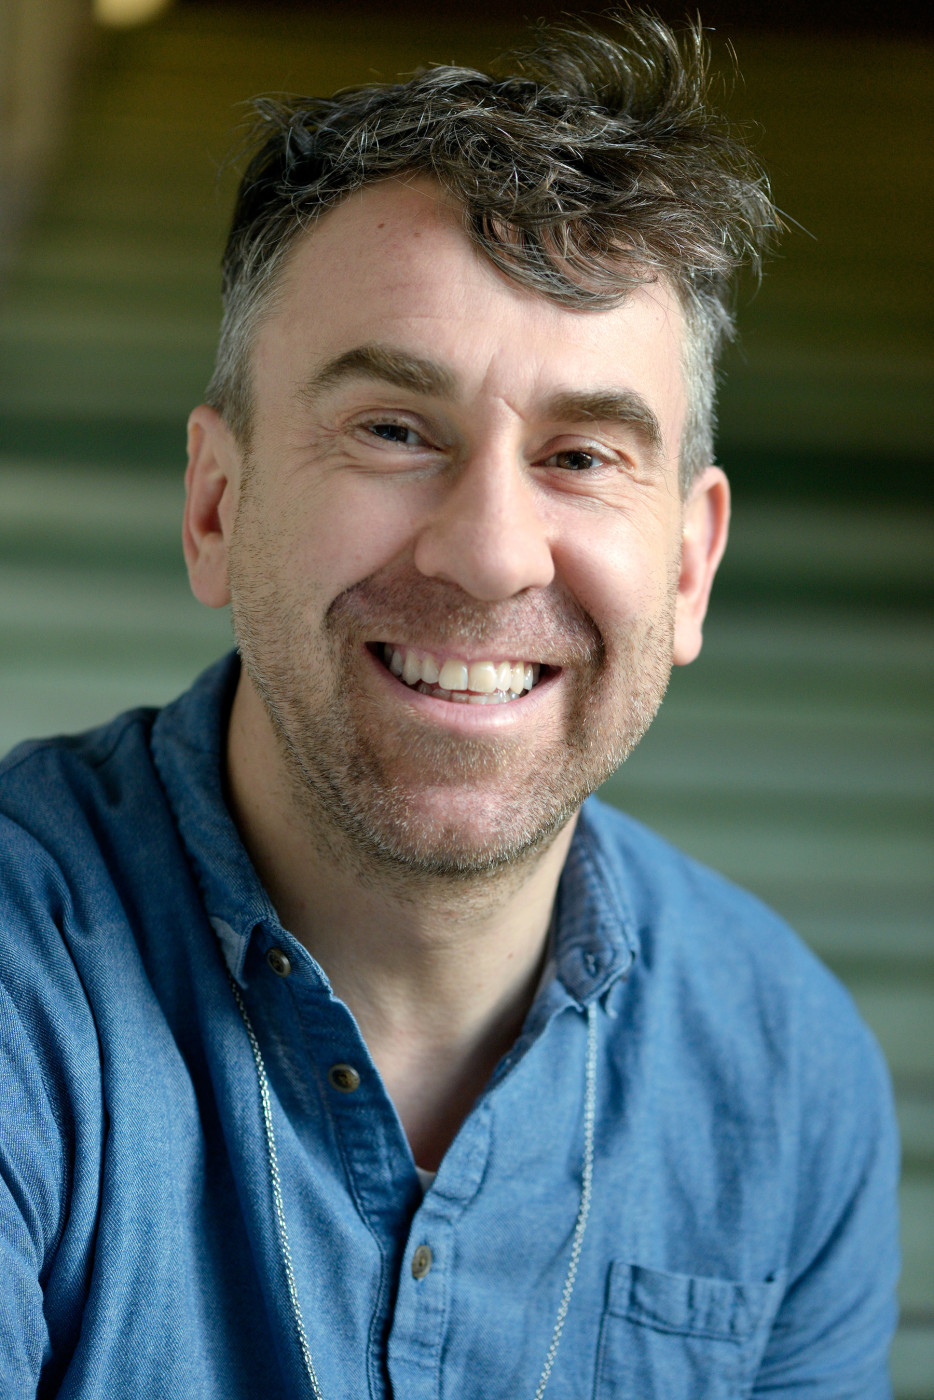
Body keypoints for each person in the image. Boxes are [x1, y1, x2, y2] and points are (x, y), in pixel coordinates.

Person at [0, 13, 899, 1398]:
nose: (488, 553)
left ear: (687, 567)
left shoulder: (784, 1068)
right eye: (393, 430)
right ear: (216, 506)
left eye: (582, 455)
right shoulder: (26, 983)